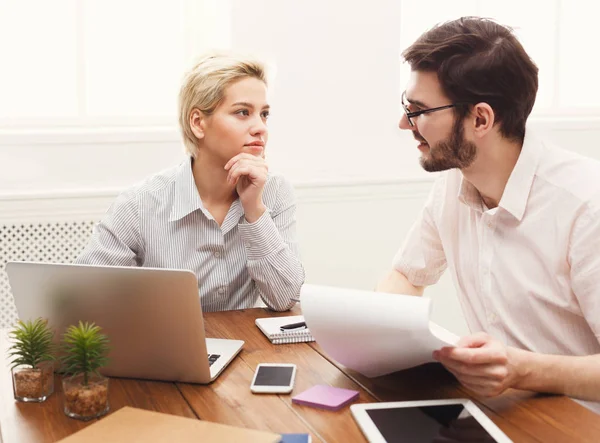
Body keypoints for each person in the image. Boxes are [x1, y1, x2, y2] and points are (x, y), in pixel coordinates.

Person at [377, 17, 600, 407]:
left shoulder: (586, 206)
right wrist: (369, 331)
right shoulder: (453, 184)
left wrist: (520, 370)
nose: (403, 123)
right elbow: (407, 275)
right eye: (406, 106)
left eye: (419, 110)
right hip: (504, 413)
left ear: (481, 118)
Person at [76, 52, 304, 312]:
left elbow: (286, 298)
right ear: (198, 123)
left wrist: (254, 210)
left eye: (264, 114)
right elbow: (82, 300)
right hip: (166, 348)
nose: (260, 128)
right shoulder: (140, 205)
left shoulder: (274, 192)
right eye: (243, 112)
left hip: (246, 349)